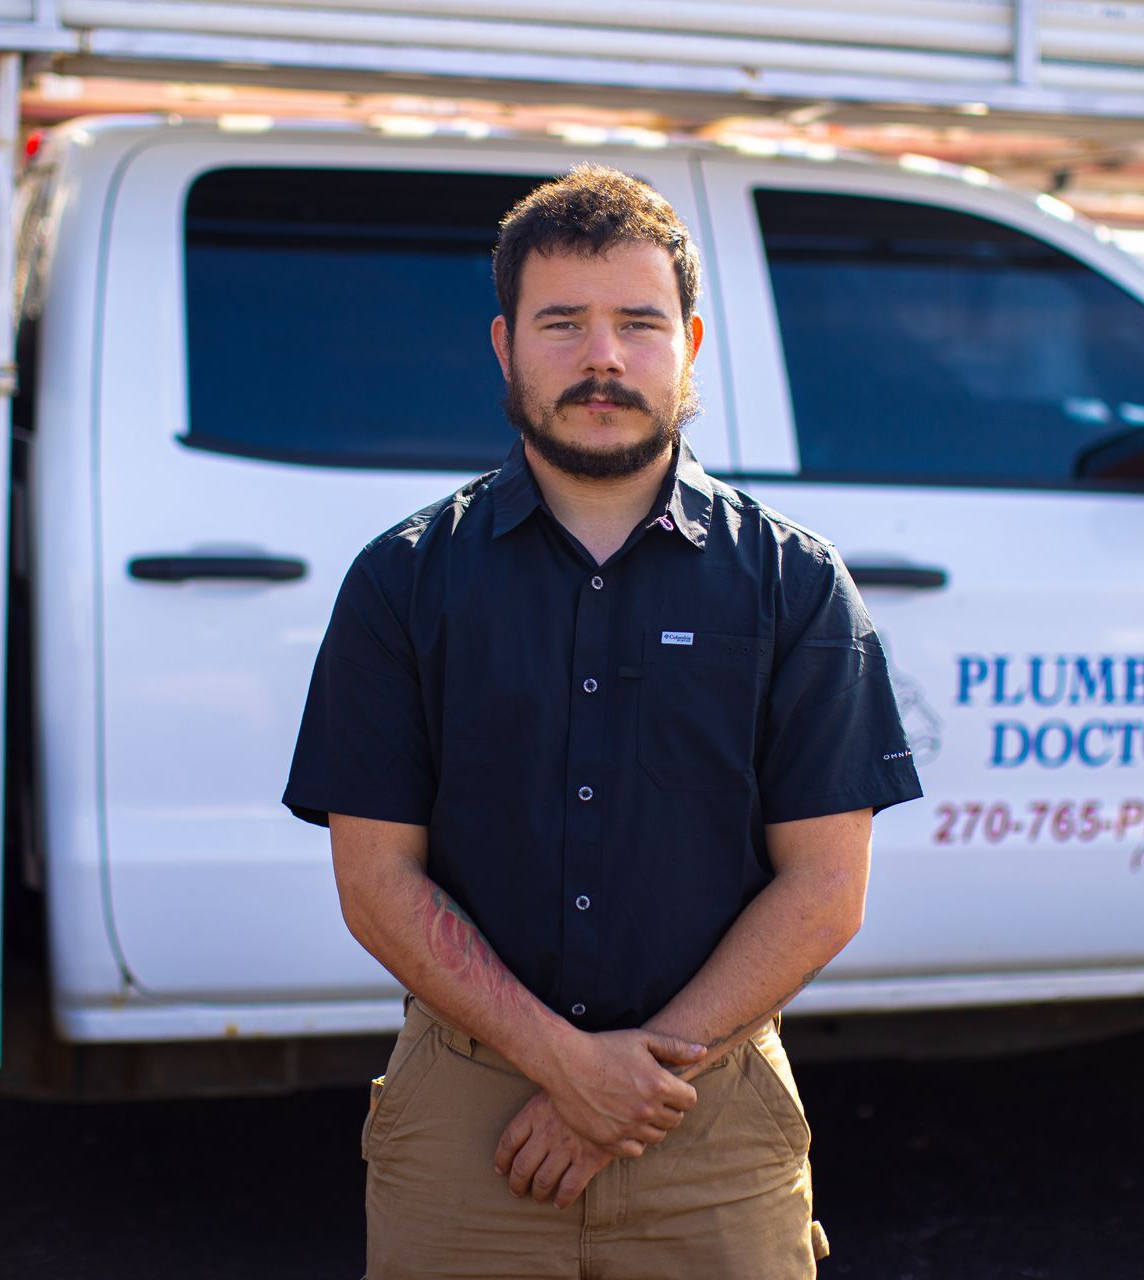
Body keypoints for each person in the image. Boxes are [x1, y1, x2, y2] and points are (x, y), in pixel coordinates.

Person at [283, 162, 922, 1279]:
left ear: (691, 341)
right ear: (503, 344)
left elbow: (828, 885)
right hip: (467, 1123)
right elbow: (375, 879)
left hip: (714, 1121)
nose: (603, 358)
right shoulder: (402, 582)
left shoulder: (794, 584)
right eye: (563, 323)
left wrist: (618, 1087)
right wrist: (565, 1066)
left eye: (638, 321)